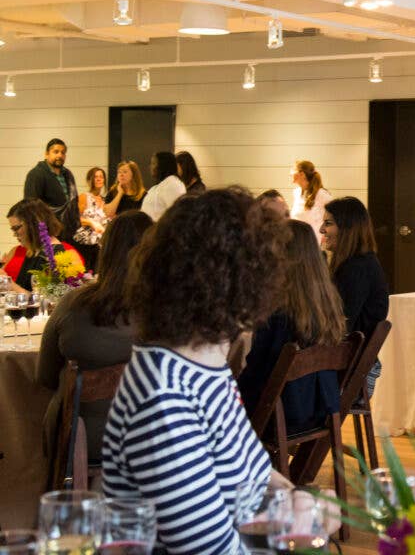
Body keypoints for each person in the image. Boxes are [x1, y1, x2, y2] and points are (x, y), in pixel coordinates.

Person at [102, 188, 290, 554]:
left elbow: (257, 474)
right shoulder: (164, 398)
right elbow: (209, 550)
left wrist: (299, 502)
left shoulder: (206, 364)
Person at [36, 210, 154, 466]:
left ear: (105, 251)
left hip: (79, 441)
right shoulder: (168, 312)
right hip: (150, 440)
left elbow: (45, 376)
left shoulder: (72, 304)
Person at [238, 219, 349, 434]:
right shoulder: (328, 303)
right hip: (321, 408)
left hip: (281, 415)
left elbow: (258, 372)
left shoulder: (279, 311)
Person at [322, 196, 389, 396]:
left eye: (328, 223)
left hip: (350, 377)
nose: (321, 230)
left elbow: (340, 327)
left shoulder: (356, 268)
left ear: (347, 228)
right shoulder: (360, 264)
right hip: (353, 370)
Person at [3, 199, 83, 292]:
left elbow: (45, 300)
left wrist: (8, 283)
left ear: (32, 224)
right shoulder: (33, 250)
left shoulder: (55, 254)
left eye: (16, 228)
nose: (14, 234)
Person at [23, 138, 80, 240]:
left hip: (68, 231)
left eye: (63, 152)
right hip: (48, 233)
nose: (60, 155)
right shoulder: (36, 174)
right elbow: (31, 207)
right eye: (56, 152)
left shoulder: (68, 174)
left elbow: (73, 202)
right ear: (46, 154)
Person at [73, 166, 109, 272]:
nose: (98, 179)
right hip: (85, 243)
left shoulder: (105, 200)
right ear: (90, 180)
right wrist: (91, 222)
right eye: (95, 177)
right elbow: (76, 219)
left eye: (101, 177)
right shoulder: (84, 197)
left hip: (100, 245)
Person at [291, 160, 332, 245]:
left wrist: (326, 234)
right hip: (296, 242)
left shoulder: (322, 194)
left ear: (301, 174)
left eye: (293, 170)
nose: (290, 173)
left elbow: (334, 216)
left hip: (312, 244)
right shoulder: (296, 192)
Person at [141, 152, 186, 222]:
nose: (150, 167)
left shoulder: (173, 184)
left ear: (163, 165)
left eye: (153, 163)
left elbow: (177, 216)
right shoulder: (157, 187)